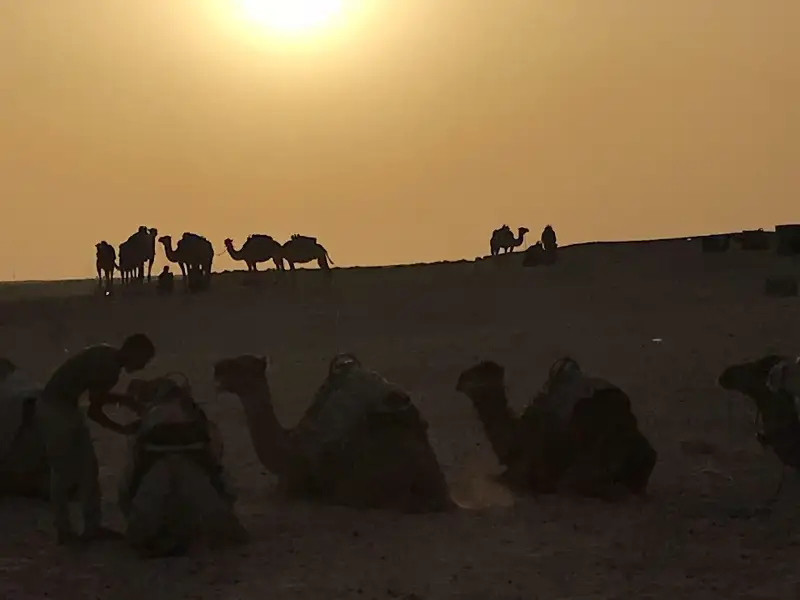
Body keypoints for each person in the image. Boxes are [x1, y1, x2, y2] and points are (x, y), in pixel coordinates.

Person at [37, 334, 155, 545]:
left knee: (88, 469)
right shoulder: (110, 368)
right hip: (55, 409)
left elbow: (96, 399)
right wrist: (122, 426)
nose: (142, 367)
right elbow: (95, 410)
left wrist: (124, 402)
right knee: (63, 471)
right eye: (143, 361)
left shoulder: (108, 356)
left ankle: (92, 527)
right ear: (133, 352)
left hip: (66, 407)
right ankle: (64, 530)